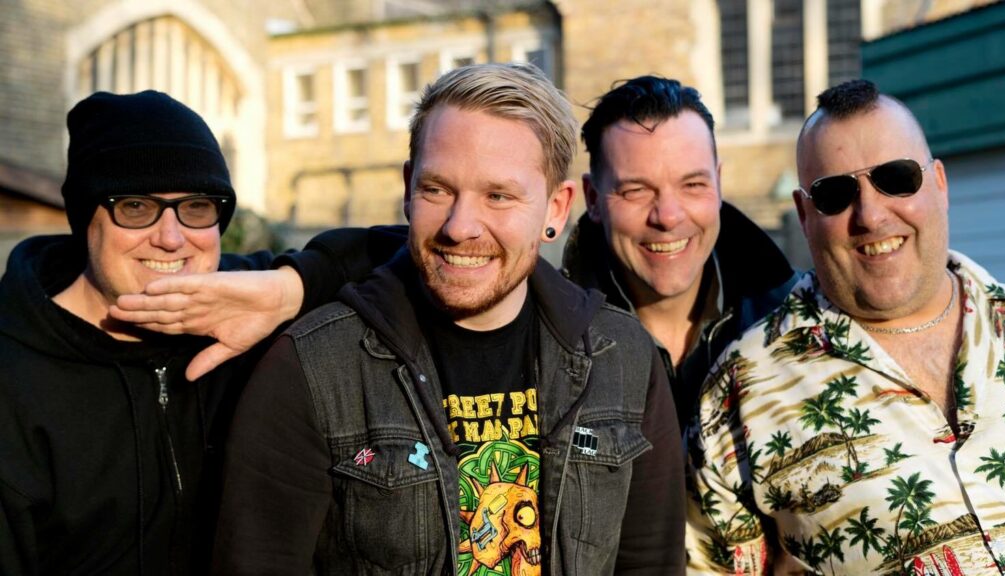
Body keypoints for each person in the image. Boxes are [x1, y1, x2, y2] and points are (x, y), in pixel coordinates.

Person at [210, 63, 686, 575]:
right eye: (437, 189)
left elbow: (650, 564)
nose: (460, 227)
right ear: (408, 188)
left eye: (498, 196)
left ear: (555, 208)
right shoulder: (313, 369)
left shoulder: (623, 359)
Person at [686, 79, 1005, 573]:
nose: (870, 215)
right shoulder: (741, 392)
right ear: (804, 214)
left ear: (940, 184)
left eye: (896, 178)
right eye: (835, 194)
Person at [0, 91, 282, 575]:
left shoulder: (246, 307)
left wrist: (288, 291)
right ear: (85, 219)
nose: (171, 238)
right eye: (135, 206)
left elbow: (394, 253)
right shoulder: (13, 377)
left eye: (196, 206)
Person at [564, 76, 797, 419]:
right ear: (593, 199)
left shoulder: (798, 317)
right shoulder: (546, 344)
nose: (668, 217)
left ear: (718, 183)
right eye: (636, 191)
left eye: (692, 185)